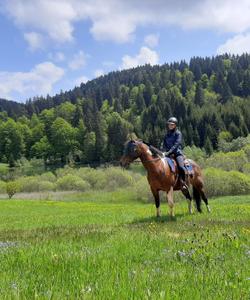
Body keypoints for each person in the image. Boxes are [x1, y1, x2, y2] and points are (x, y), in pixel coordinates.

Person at [162, 117, 188, 190]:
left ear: (175, 125)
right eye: (169, 124)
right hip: (167, 154)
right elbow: (163, 144)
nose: (170, 126)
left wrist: (169, 152)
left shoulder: (178, 133)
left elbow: (176, 145)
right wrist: (163, 151)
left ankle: (183, 183)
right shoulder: (166, 134)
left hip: (177, 153)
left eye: (172, 124)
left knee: (181, 167)